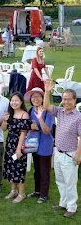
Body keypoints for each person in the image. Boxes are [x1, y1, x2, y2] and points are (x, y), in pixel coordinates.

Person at [44, 81, 81, 218]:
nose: (65, 102)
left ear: (74, 100)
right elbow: (46, 106)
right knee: (60, 180)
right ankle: (63, 203)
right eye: (64, 99)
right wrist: (47, 91)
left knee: (70, 182)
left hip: (70, 155)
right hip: (58, 153)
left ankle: (72, 207)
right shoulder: (60, 112)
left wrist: (78, 155)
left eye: (68, 99)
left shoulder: (79, 117)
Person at [26, 87, 54, 203]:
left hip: (45, 145)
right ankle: (37, 191)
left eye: (38, 96)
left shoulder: (48, 112)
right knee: (36, 169)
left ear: (43, 98)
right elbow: (27, 125)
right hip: (34, 144)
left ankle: (44, 194)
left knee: (44, 170)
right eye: (33, 96)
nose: (35, 98)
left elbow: (47, 131)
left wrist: (40, 120)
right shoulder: (31, 110)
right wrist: (30, 126)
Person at [2, 92, 31, 203]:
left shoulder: (24, 115)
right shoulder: (10, 114)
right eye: (12, 100)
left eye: (16, 100)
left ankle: (21, 193)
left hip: (19, 145)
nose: (14, 102)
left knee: (19, 168)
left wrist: (18, 150)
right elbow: (4, 129)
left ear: (21, 102)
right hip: (10, 144)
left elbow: (23, 134)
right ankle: (13, 190)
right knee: (10, 167)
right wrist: (4, 120)